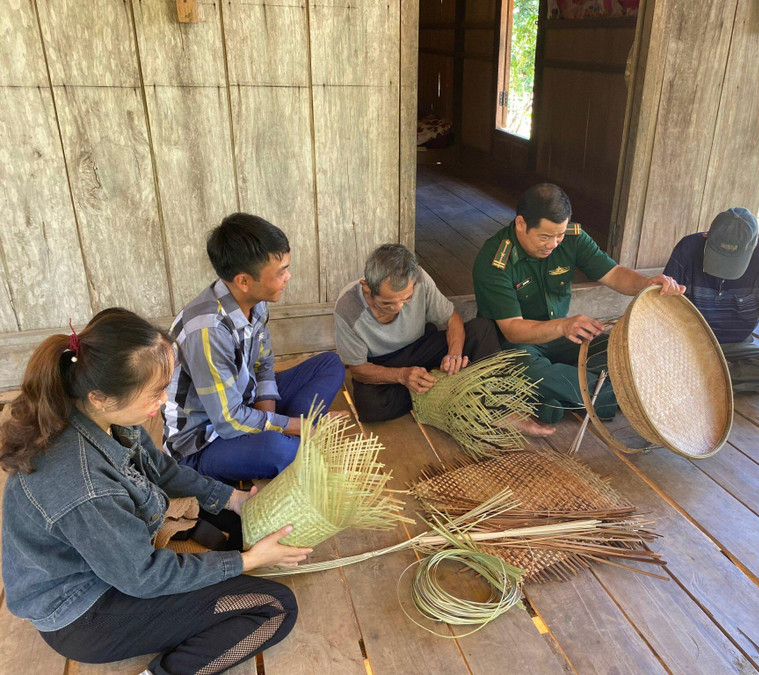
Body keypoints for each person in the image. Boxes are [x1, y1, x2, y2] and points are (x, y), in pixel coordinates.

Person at [0, 308, 309, 675]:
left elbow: (159, 469)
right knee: (274, 607)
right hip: (84, 612)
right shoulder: (85, 485)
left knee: (235, 520)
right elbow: (143, 576)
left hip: (112, 562)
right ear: (101, 396)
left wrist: (234, 500)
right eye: (155, 393)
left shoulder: (95, 413)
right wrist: (247, 562)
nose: (163, 401)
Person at [473, 183, 685, 428]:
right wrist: (564, 325)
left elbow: (614, 274)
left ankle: (557, 397)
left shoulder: (572, 238)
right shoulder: (495, 260)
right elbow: (512, 329)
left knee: (619, 348)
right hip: (515, 348)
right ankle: (630, 395)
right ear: (521, 223)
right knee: (531, 373)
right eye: (544, 236)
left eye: (559, 235)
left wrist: (647, 283)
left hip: (561, 339)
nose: (553, 244)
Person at [163, 213, 346, 482]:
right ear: (243, 281)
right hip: (204, 440)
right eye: (281, 271)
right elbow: (228, 421)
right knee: (280, 451)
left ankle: (285, 437)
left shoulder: (256, 302)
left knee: (330, 365)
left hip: (244, 404)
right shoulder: (208, 330)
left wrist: (273, 420)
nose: (289, 276)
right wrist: (298, 426)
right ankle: (289, 439)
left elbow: (263, 364)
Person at [334, 243, 529, 428]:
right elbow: (358, 369)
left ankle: (496, 406)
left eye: (407, 299)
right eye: (387, 303)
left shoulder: (419, 278)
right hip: (383, 362)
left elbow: (452, 319)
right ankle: (445, 389)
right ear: (367, 287)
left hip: (420, 346)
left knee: (483, 329)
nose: (398, 308)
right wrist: (402, 375)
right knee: (370, 407)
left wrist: (454, 354)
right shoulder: (348, 307)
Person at [663, 207, 759, 408]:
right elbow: (662, 305)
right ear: (707, 236)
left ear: (754, 246)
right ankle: (722, 380)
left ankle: (694, 379)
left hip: (737, 346)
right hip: (689, 345)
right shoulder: (688, 248)